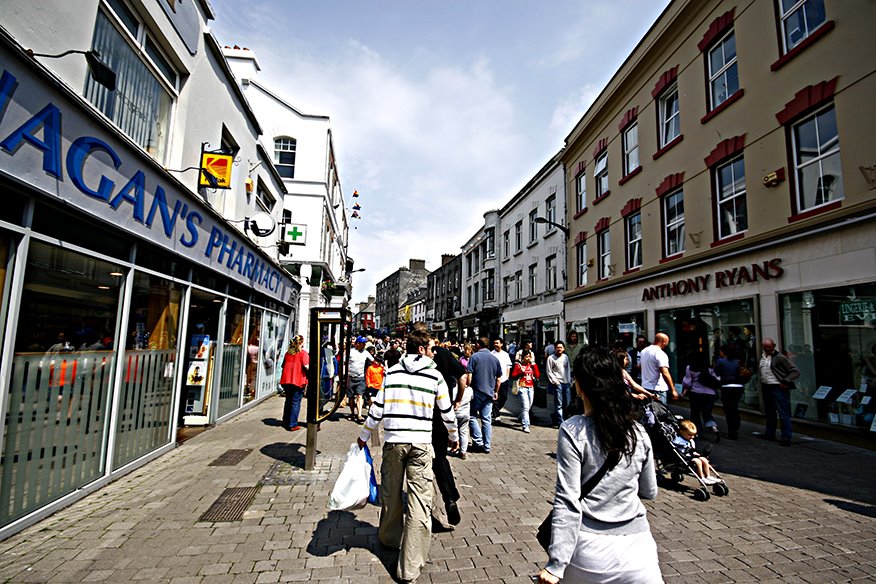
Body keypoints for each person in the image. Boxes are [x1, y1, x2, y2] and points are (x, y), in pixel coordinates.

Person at [538, 346, 660, 584]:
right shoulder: (638, 431)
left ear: (580, 385)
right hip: (639, 552)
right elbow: (649, 491)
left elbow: (567, 499)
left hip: (589, 552)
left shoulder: (573, 430)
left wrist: (556, 564)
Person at [357, 329, 458, 584]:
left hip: (393, 442)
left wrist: (364, 435)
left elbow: (377, 408)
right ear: (423, 349)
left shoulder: (391, 372)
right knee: (419, 501)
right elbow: (446, 411)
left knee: (391, 493)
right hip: (421, 443)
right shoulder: (434, 375)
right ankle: (409, 567)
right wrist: (454, 436)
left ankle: (390, 538)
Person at [758, 337, 800, 446]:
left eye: (770, 348)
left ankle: (786, 437)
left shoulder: (780, 357)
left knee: (783, 412)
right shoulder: (762, 357)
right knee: (770, 412)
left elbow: (795, 371)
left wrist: (785, 381)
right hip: (766, 386)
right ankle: (769, 434)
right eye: (766, 348)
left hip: (778, 387)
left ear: (774, 346)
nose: (768, 350)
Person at [466, 337, 502, 454]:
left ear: (478, 344)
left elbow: (469, 376)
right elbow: (499, 379)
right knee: (486, 419)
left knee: (471, 416)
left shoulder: (474, 357)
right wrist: (496, 391)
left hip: (476, 391)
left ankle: (478, 441)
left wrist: (468, 386)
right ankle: (487, 446)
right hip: (489, 392)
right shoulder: (494, 359)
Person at [681, 351, 721, 441]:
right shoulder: (709, 368)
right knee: (707, 413)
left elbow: (687, 382)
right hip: (710, 394)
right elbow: (716, 379)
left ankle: (696, 432)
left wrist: (684, 391)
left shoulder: (690, 368)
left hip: (696, 393)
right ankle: (714, 428)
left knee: (695, 413)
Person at [713, 345, 744, 439]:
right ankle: (736, 426)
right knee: (734, 407)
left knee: (728, 409)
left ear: (723, 352)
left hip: (727, 387)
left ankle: (732, 432)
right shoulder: (737, 361)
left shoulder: (720, 361)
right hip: (738, 387)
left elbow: (716, 373)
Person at [640, 333, 679, 404]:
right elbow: (665, 373)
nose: (667, 344)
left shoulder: (644, 351)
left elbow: (640, 366)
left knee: (648, 412)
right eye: (667, 342)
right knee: (661, 412)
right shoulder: (660, 354)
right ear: (664, 341)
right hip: (658, 389)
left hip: (645, 387)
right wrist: (673, 389)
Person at [673, 419, 716, 484]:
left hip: (691, 455)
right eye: (689, 435)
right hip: (683, 457)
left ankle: (708, 476)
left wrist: (695, 453)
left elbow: (692, 449)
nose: (692, 437)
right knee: (698, 462)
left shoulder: (690, 440)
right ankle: (702, 478)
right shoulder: (678, 440)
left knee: (704, 460)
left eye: (694, 435)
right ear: (681, 432)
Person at [279, 335, 308, 431]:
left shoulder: (288, 353)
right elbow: (307, 367)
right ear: (301, 343)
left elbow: (283, 366)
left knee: (288, 401)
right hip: (297, 380)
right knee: (296, 402)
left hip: (286, 380)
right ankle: (293, 424)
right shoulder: (303, 354)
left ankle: (286, 421)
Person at [511, 349, 540, 432]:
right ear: (523, 357)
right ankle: (525, 425)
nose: (528, 358)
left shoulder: (532, 365)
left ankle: (522, 416)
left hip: (531, 387)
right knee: (525, 407)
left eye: (529, 356)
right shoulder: (519, 365)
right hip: (522, 387)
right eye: (526, 357)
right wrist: (520, 371)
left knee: (529, 406)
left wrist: (533, 364)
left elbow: (537, 375)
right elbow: (513, 375)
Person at [348, 336, 374, 422]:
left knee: (360, 395)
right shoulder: (350, 352)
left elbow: (373, 361)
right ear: (358, 344)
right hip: (350, 377)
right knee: (351, 397)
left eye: (365, 343)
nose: (364, 345)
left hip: (361, 377)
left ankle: (359, 415)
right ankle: (352, 413)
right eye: (363, 343)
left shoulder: (366, 353)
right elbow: (344, 362)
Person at [546, 341, 572, 425]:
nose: (559, 349)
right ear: (555, 348)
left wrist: (569, 380)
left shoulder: (565, 357)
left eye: (561, 347)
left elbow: (567, 369)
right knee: (559, 403)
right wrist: (555, 381)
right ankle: (561, 422)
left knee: (567, 403)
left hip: (566, 382)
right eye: (558, 347)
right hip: (557, 383)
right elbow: (549, 371)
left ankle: (557, 417)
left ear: (564, 348)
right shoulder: (551, 358)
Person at [491, 337, 513, 422]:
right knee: (495, 397)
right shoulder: (491, 354)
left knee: (504, 397)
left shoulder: (505, 354)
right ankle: (496, 414)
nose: (496, 344)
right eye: (494, 343)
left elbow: (508, 366)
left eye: (497, 343)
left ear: (501, 344)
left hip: (504, 379)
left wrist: (507, 376)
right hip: (494, 379)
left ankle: (495, 410)